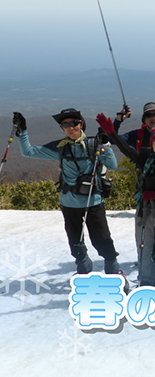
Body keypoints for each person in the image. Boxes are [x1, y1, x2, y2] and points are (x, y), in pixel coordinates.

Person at [14, 109, 126, 283]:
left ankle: (112, 269)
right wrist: (22, 131)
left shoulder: (94, 144)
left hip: (93, 201)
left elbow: (112, 164)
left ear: (81, 124)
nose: (70, 127)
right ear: (62, 128)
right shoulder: (60, 148)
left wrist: (106, 147)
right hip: (69, 203)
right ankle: (83, 269)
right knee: (75, 239)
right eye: (66, 125)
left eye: (74, 123)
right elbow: (28, 152)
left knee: (102, 238)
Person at [96, 114, 155, 289]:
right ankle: (147, 282)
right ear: (151, 143)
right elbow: (125, 149)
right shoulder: (145, 160)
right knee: (145, 248)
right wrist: (112, 133)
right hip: (145, 212)